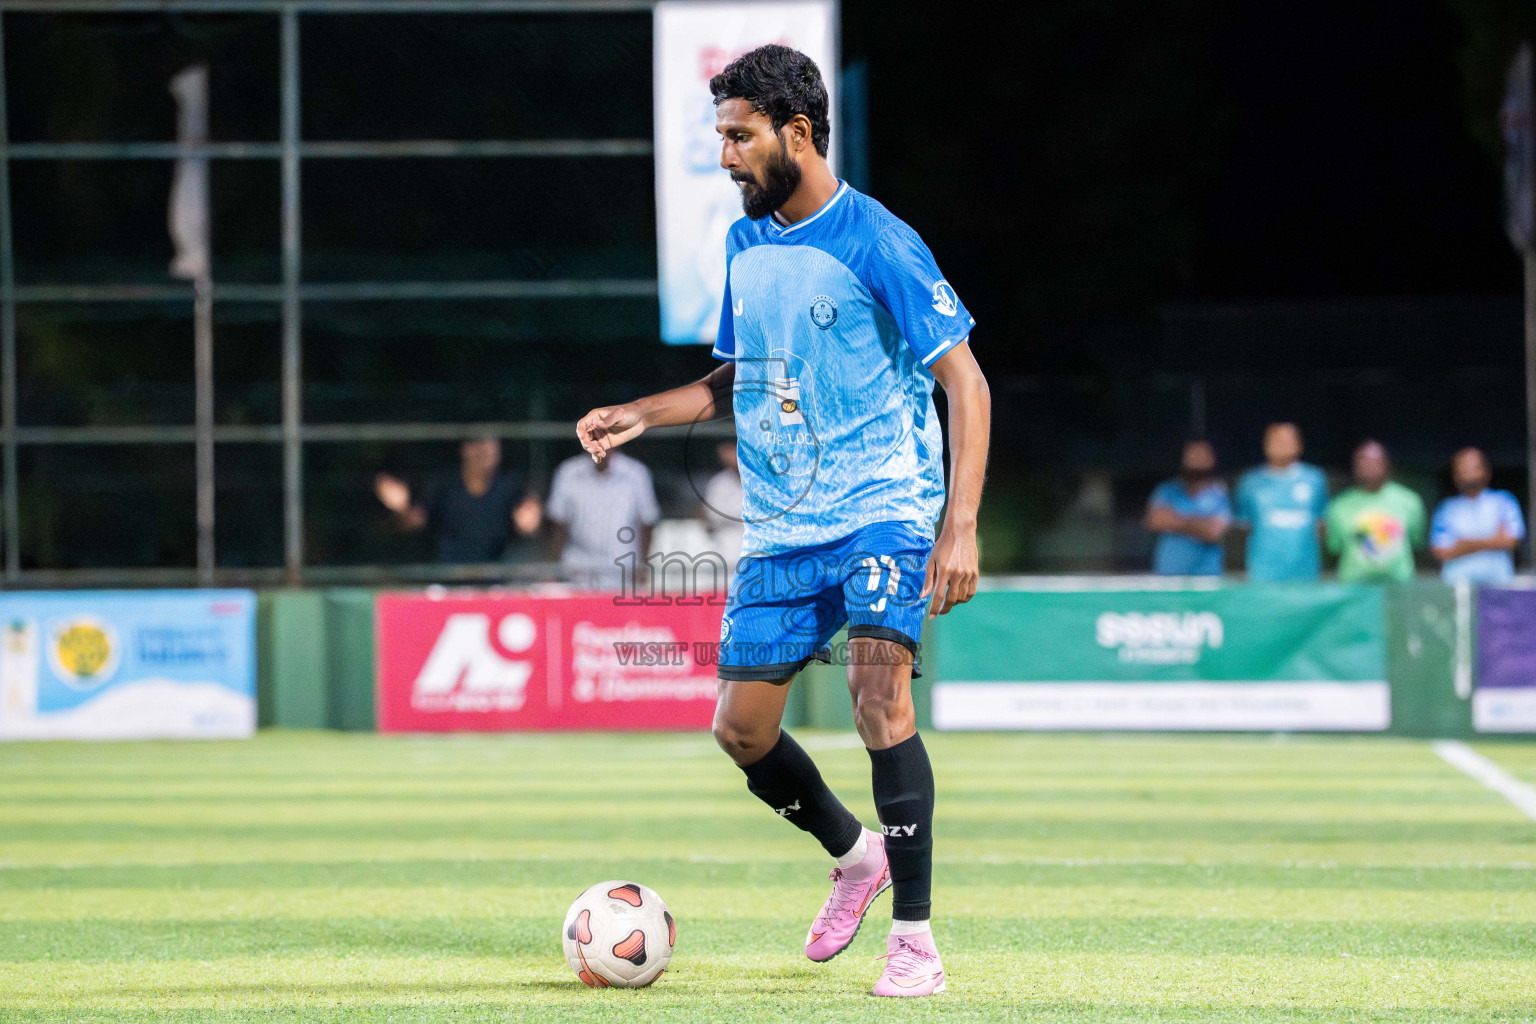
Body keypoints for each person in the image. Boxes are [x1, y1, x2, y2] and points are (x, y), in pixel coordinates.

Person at [573, 46, 989, 997]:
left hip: (885, 506)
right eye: (720, 136)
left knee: (879, 701)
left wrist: (957, 525)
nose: (723, 157)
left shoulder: (878, 239)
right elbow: (739, 377)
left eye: (737, 137)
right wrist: (644, 412)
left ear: (795, 134)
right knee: (741, 730)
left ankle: (915, 941)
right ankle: (854, 858)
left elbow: (965, 380)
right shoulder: (745, 243)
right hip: (784, 525)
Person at [374, 436, 541, 563]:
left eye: (493, 446)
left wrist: (528, 525)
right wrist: (401, 508)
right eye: (481, 445)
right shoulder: (444, 485)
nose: (489, 451)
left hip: (498, 575)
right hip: (450, 576)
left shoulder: (510, 485)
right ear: (467, 450)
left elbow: (528, 522)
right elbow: (415, 520)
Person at [545, 449, 660, 589]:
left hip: (622, 572)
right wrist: (552, 569)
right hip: (577, 571)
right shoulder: (568, 472)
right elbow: (558, 525)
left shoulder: (636, 473)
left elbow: (647, 523)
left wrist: (642, 566)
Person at [1234, 423, 1329, 582]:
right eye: (1276, 439)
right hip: (1264, 573)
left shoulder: (1315, 479)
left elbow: (1322, 524)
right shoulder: (1250, 482)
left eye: (1287, 439)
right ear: (1265, 445)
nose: (1282, 444)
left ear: (1299, 444)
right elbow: (1244, 527)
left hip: (1305, 572)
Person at [1325, 440, 1426, 583]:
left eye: (1375, 462)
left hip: (1398, 584)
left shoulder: (1409, 501)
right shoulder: (1339, 506)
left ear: (1387, 465)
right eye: (1363, 462)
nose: (1369, 467)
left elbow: (1417, 543)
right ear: (1355, 467)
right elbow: (1334, 548)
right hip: (1354, 586)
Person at [1430, 446, 1525, 584]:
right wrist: (1493, 541)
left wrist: (1464, 545)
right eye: (1462, 469)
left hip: (1498, 583)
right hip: (1457, 586)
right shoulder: (1447, 509)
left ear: (1486, 471)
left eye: (1474, 467)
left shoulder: (1504, 501)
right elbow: (1441, 551)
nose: (1467, 473)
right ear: (1454, 475)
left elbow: (1512, 540)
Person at [1144, 440, 1230, 577]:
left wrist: (1175, 520)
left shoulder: (1220, 493)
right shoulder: (1168, 490)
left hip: (1207, 579)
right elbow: (1154, 520)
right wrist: (1200, 524)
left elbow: (1215, 532)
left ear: (1212, 459)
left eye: (1201, 455)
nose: (1196, 459)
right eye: (1192, 455)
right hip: (1168, 577)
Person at [702, 439, 745, 573]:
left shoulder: (761, 480)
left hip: (759, 554)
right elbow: (711, 518)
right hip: (726, 553)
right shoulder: (718, 483)